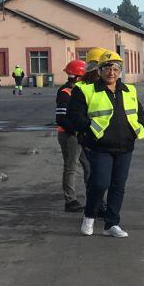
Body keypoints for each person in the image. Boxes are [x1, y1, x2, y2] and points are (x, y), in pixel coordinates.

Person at [67, 51, 144, 237]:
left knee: (118, 186)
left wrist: (138, 127)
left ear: (120, 71)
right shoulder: (86, 90)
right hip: (99, 146)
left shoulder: (129, 90)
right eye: (107, 68)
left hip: (125, 146)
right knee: (100, 183)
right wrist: (91, 128)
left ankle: (111, 224)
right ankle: (90, 215)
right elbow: (74, 116)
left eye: (116, 68)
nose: (112, 72)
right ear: (100, 70)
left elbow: (140, 113)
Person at [55, 59, 90, 212]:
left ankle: (93, 195)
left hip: (80, 134)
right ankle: (70, 200)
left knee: (88, 165)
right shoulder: (65, 93)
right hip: (69, 135)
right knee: (71, 166)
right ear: (79, 76)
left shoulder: (80, 91)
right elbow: (61, 118)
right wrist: (76, 131)